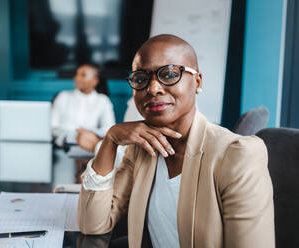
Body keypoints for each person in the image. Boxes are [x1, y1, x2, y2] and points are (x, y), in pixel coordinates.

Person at [78, 34, 274, 248]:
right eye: (141, 79)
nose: (153, 89)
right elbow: (93, 224)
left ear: (197, 81)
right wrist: (111, 138)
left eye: (170, 74)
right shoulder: (141, 150)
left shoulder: (237, 154)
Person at [52, 63, 115, 149]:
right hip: (63, 148)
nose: (76, 78)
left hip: (90, 150)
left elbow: (109, 128)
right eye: (76, 74)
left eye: (83, 75)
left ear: (95, 81)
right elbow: (52, 126)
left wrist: (87, 134)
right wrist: (70, 136)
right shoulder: (63, 96)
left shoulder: (103, 101)